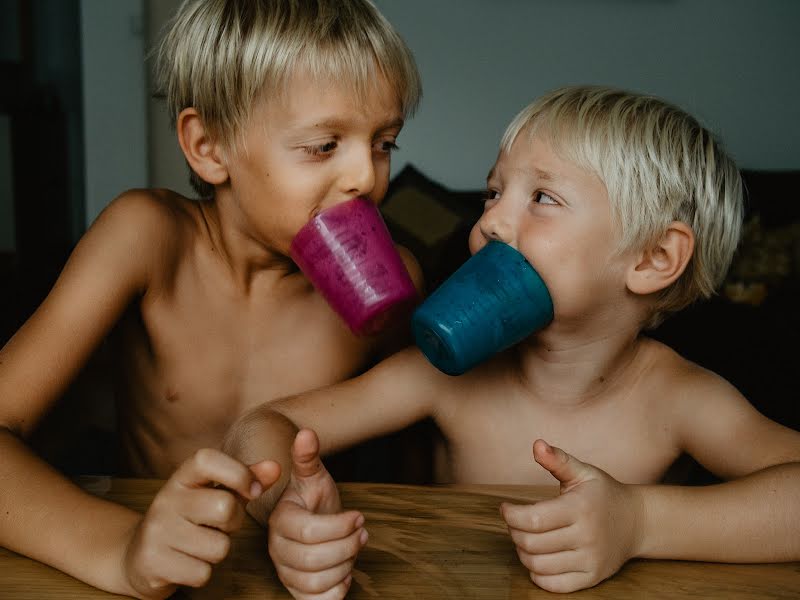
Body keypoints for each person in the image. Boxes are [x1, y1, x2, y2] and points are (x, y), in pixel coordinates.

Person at [223, 85, 800, 597]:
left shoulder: (679, 399)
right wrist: (284, 507)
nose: (491, 223)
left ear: (654, 259)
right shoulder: (445, 377)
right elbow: (262, 424)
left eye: (542, 198)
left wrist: (640, 522)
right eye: (493, 194)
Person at [0, 0, 422, 598]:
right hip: (148, 563)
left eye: (385, 143)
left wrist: (324, 533)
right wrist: (122, 549)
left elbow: (417, 451)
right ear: (209, 147)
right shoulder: (147, 239)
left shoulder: (395, 287)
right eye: (324, 145)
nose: (367, 177)